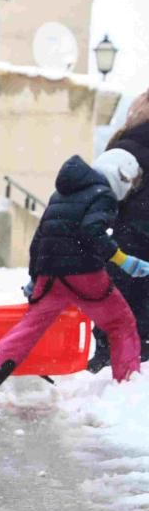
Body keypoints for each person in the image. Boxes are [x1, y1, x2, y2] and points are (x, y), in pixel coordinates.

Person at [0, 151, 146, 408]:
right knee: (121, 323)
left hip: (50, 276)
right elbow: (91, 231)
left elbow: (39, 239)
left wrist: (34, 277)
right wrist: (122, 259)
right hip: (85, 274)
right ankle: (126, 390)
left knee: (27, 331)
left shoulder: (61, 194)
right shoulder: (102, 195)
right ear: (121, 176)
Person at [88, 91, 149, 371]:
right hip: (135, 244)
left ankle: (108, 367)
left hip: (130, 247)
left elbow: (92, 195)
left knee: (118, 317)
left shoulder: (129, 147)